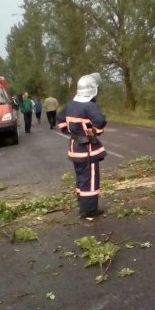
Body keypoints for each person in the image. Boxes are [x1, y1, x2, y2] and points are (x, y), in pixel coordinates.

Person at [56, 73, 107, 219]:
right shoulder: (89, 106)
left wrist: (71, 131)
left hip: (75, 148)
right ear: (92, 89)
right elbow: (100, 121)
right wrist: (93, 132)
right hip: (87, 150)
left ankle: (82, 204)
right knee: (90, 179)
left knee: (81, 178)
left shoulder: (71, 104)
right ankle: (89, 210)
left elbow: (60, 120)